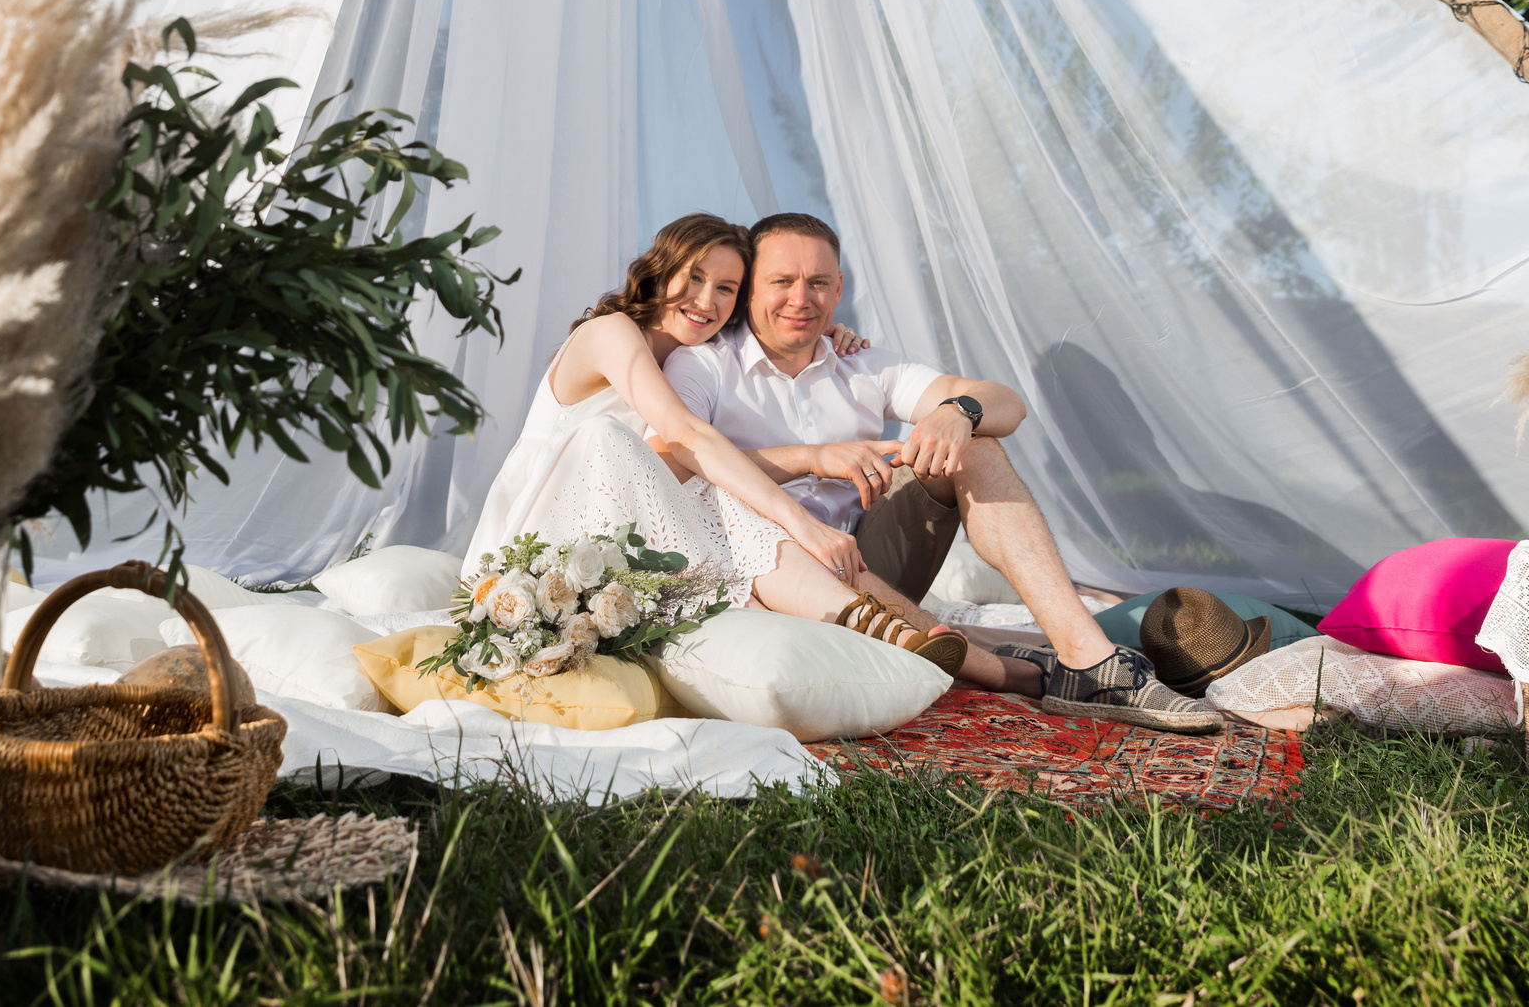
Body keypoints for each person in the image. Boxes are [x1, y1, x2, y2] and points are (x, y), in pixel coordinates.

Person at [661, 212, 1221, 733]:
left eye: (819, 283)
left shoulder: (863, 363)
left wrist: (960, 413)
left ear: (839, 288)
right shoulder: (703, 363)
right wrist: (813, 456)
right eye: (782, 281)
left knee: (976, 445)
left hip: (870, 560)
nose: (801, 299)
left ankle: (1088, 661)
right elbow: (668, 465)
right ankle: (1015, 664)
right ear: (751, 287)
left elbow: (1008, 404)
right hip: (765, 575)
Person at [461, 213, 972, 672]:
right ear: (658, 272)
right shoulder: (611, 333)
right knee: (674, 468)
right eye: (696, 277)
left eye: (727, 288)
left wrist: (824, 332)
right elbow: (684, 436)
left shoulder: (686, 358)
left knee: (709, 485)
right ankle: (856, 622)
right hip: (540, 530)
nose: (707, 301)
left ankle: (875, 629)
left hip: (616, 531)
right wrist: (802, 521)